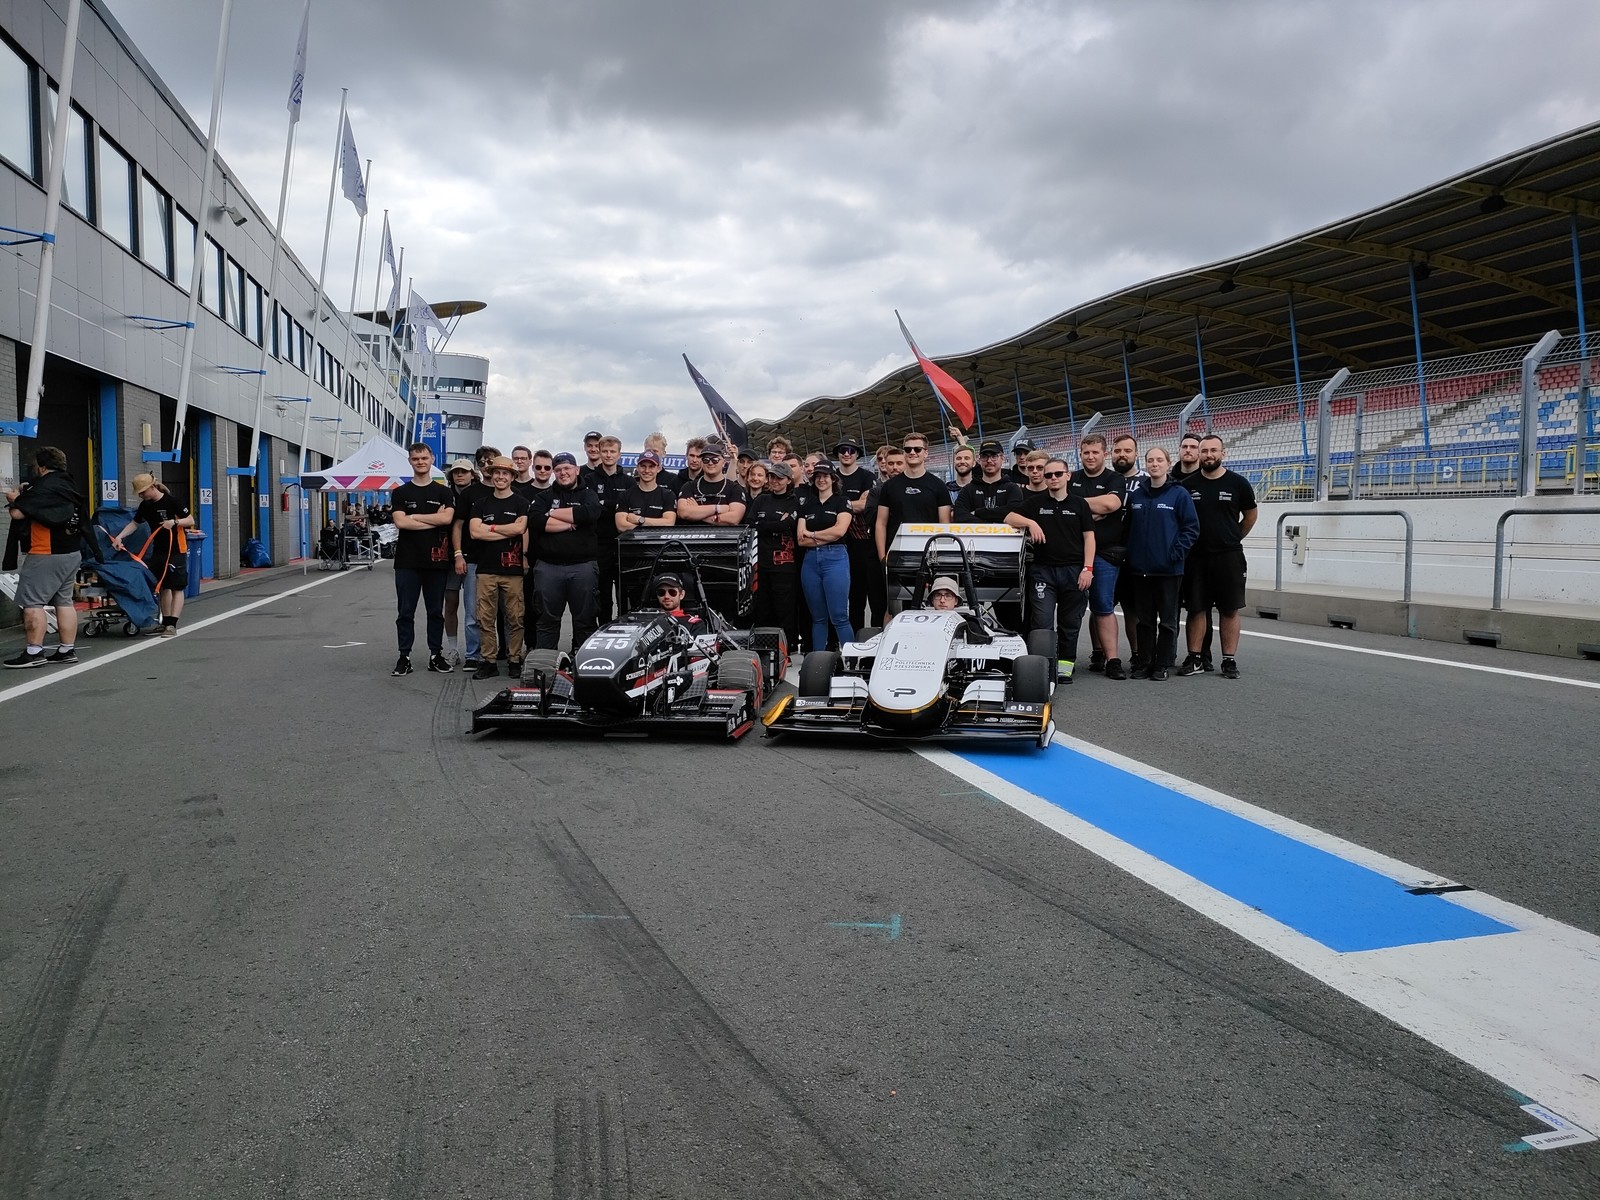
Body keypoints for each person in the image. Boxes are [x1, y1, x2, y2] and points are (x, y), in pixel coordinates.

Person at [1006, 458, 1095, 684]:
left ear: (1068, 475)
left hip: (1074, 571)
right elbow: (1009, 517)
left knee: (1070, 622)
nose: (1053, 478)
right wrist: (1031, 523)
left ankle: (1065, 665)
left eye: (1058, 474)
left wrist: (1088, 568)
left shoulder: (1080, 504)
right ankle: (1043, 666)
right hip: (1043, 571)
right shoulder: (1035, 503)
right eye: (1048, 475)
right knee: (1042, 621)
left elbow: (1089, 538)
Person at [1179, 434, 1258, 680]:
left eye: (1214, 450)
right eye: (1204, 451)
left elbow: (1251, 516)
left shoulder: (1238, 483)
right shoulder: (1187, 486)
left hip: (1229, 556)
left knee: (1230, 609)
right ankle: (1195, 658)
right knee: (1196, 608)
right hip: (1196, 557)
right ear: (1199, 454)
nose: (1209, 455)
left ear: (1223, 453)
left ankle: (1229, 660)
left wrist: (1233, 537)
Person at [3, 446, 89, 668]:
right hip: (72, 551)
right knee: (64, 601)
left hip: (45, 551)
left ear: (41, 467)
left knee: (32, 602)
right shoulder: (69, 486)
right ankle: (66, 650)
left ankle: (34, 652)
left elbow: (18, 513)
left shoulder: (44, 487)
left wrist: (13, 499)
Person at [1125, 447, 1199, 681]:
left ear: (1168, 463)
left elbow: (1191, 528)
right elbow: (1128, 528)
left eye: (1159, 460)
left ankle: (1163, 664)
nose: (1154, 464)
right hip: (1140, 569)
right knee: (1144, 620)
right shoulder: (1137, 495)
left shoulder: (1179, 494)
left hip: (1168, 569)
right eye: (1150, 460)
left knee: (1167, 621)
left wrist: (1175, 554)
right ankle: (1144, 662)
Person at [389, 443, 455, 677]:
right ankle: (404, 656)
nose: (420, 462)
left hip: (436, 561)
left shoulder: (443, 492)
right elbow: (401, 522)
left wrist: (414, 517)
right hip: (407, 562)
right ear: (410, 461)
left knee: (435, 611)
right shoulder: (400, 492)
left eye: (424, 458)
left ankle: (435, 655)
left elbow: (446, 520)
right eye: (416, 458)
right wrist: (432, 519)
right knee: (405, 612)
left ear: (432, 459)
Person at [530, 452, 603, 653]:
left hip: (583, 567)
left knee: (586, 619)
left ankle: (585, 662)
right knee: (546, 620)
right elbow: (536, 520)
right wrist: (570, 523)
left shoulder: (588, 494)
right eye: (558, 469)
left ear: (576, 470)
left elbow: (589, 513)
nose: (563, 473)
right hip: (548, 567)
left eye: (567, 468)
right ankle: (545, 664)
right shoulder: (543, 496)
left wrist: (552, 513)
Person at [1070, 433, 1130, 680]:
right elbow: (1063, 508)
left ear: (1104, 454)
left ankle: (1112, 660)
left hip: (1105, 554)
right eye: (1086, 452)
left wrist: (1076, 506)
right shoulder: (1071, 477)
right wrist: (1090, 511)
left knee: (1103, 606)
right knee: (1070, 609)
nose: (1090, 456)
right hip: (1073, 553)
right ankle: (1070, 657)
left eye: (1095, 452)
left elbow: (1110, 505)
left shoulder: (1115, 478)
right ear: (1080, 454)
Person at [468, 456, 530, 679]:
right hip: (486, 569)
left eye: (505, 473)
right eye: (497, 473)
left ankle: (514, 659)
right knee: (485, 618)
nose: (500, 477)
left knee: (515, 617)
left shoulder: (520, 502)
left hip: (512, 570)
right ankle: (489, 661)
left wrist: (490, 528)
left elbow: (520, 529)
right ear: (491, 475)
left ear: (512, 477)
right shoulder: (480, 504)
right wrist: (506, 529)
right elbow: (475, 532)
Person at [114, 472, 195, 637]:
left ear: (152, 487)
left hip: (176, 549)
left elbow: (190, 520)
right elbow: (135, 523)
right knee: (162, 586)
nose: (141, 495)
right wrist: (119, 537)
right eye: (139, 493)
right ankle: (164, 622)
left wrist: (174, 522)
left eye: (143, 492)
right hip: (158, 549)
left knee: (176, 586)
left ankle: (172, 624)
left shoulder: (172, 501)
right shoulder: (145, 506)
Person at [873, 431, 951, 573]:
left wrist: (942, 556)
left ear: (925, 453)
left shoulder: (939, 485)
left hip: (929, 554)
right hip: (897, 554)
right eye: (908, 449)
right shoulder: (889, 486)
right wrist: (882, 557)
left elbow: (944, 524)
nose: (912, 452)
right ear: (904, 453)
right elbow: (881, 523)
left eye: (917, 449)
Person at [798, 459, 853, 653]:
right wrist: (825, 537)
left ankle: (851, 659)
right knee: (818, 617)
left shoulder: (842, 501)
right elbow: (801, 539)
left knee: (839, 616)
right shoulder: (808, 504)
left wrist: (813, 534)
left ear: (833, 479)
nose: (821, 480)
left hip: (835, 558)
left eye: (825, 476)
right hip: (811, 560)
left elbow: (839, 531)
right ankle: (818, 660)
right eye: (818, 476)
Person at [744, 460, 800, 647]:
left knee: (784, 608)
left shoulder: (794, 501)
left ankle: (787, 647)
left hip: (784, 565)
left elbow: (787, 525)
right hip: (761, 563)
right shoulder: (761, 499)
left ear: (788, 480)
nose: (775, 481)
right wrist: (775, 525)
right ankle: (764, 646)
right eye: (772, 477)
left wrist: (765, 525)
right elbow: (750, 524)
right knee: (762, 608)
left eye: (779, 478)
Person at [834, 439, 882, 631]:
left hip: (862, 542)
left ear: (857, 454)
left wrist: (838, 507)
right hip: (838, 543)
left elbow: (865, 505)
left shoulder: (866, 476)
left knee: (871, 595)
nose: (847, 453)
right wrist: (852, 506)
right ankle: (853, 638)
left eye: (851, 450)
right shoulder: (831, 476)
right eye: (843, 450)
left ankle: (876, 636)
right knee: (852, 597)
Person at [1110, 433, 1146, 667]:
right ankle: (1100, 653)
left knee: (1134, 608)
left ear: (1136, 453)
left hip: (1135, 554)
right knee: (1103, 606)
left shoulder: (1146, 480)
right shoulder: (1106, 478)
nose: (1122, 455)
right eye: (1117, 451)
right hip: (1107, 551)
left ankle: (1138, 653)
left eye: (1127, 450)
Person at [589, 435, 630, 623]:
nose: (608, 455)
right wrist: (617, 507)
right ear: (599, 452)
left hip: (624, 545)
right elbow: (593, 509)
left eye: (612, 451)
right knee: (602, 595)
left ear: (619, 454)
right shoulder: (589, 479)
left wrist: (606, 503)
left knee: (624, 595)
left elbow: (630, 510)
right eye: (604, 451)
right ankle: (603, 629)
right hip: (599, 545)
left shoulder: (628, 481)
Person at [442, 458, 478, 663]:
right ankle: (453, 649)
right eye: (456, 472)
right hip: (449, 557)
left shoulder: (480, 494)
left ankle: (477, 652)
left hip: (474, 556)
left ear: (472, 474)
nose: (460, 475)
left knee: (475, 608)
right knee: (451, 603)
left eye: (464, 471)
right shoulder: (445, 495)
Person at [676, 437, 747, 525]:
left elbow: (734, 519)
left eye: (715, 460)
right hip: (694, 533)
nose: (710, 463)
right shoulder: (689, 486)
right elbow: (684, 513)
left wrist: (698, 513)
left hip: (724, 534)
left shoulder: (734, 488)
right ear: (702, 462)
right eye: (706, 460)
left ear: (723, 462)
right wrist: (718, 509)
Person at [954, 440, 1023, 520]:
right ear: (979, 460)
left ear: (1002, 459)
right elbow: (960, 516)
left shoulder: (1012, 489)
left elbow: (1015, 514)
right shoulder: (968, 490)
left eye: (994, 456)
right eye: (984, 456)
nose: (989, 460)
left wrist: (978, 513)